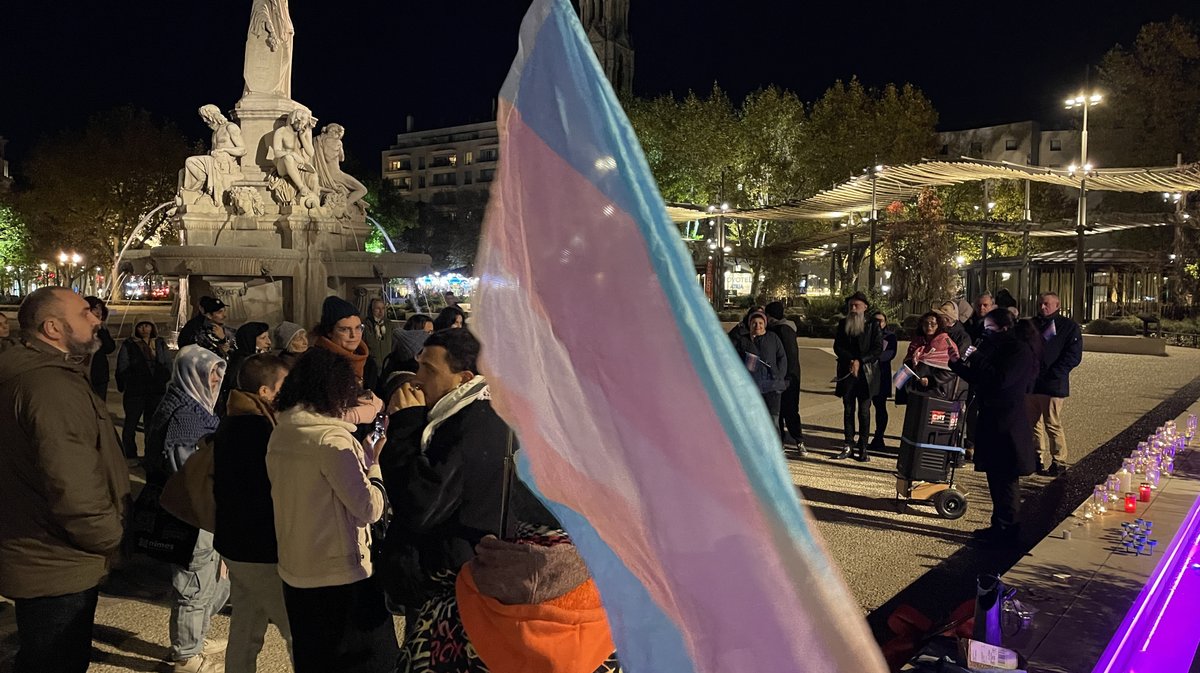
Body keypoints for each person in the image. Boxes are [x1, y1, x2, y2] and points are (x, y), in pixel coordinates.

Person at [0, 288, 130, 673]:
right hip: (57, 559)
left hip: (37, 550)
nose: (95, 319)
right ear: (53, 328)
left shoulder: (36, 375)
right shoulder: (50, 387)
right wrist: (109, 536)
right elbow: (71, 483)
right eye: (85, 313)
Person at [267, 348, 397, 673]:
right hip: (341, 575)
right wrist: (374, 465)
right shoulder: (331, 441)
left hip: (297, 569)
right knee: (370, 660)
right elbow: (368, 508)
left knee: (314, 659)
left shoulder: (283, 431)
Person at [379, 329, 511, 629]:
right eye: (418, 366)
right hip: (458, 570)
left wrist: (405, 425)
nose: (417, 378)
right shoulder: (472, 411)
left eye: (429, 369)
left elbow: (421, 504)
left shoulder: (470, 424)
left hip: (450, 580)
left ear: (464, 378)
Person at [146, 346, 231, 673]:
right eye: (209, 372)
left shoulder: (194, 407)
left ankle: (194, 639)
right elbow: (188, 474)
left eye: (217, 373)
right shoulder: (184, 416)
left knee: (211, 580)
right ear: (189, 374)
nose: (215, 380)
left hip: (202, 512)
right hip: (192, 515)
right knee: (194, 585)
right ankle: (185, 655)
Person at [212, 355, 294, 673]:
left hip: (236, 545)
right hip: (260, 550)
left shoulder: (235, 419)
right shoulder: (259, 430)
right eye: (283, 386)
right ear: (265, 391)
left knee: (245, 629)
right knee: (298, 631)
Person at [949, 309, 1040, 546]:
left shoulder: (1019, 350)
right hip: (992, 419)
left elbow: (1001, 380)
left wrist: (978, 357)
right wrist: (958, 365)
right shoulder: (998, 347)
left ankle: (1009, 529)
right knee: (995, 477)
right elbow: (982, 377)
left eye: (990, 329)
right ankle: (998, 524)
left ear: (1005, 328)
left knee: (1006, 479)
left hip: (1008, 423)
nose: (986, 334)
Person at [1028, 292, 1083, 476]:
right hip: (1033, 382)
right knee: (1032, 423)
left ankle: (1059, 461)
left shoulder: (1068, 327)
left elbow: (1073, 356)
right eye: (1040, 304)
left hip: (1052, 383)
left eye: (1046, 304)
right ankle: (1036, 457)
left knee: (1052, 423)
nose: (1042, 307)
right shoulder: (1032, 324)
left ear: (1057, 305)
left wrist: (1054, 373)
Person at [832, 292, 882, 462]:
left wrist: (860, 361)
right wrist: (851, 360)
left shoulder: (873, 325)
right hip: (847, 372)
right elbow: (838, 346)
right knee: (848, 410)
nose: (853, 309)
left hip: (866, 374)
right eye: (851, 305)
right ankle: (848, 444)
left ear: (865, 307)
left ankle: (863, 446)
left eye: (857, 306)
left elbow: (877, 349)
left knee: (864, 411)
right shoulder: (843, 323)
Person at [730, 309, 788, 447]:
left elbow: (782, 357)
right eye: (754, 323)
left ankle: (776, 447)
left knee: (773, 418)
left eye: (761, 323)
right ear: (749, 325)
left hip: (772, 386)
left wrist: (779, 375)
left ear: (765, 324)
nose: (758, 326)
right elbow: (730, 350)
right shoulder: (743, 341)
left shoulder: (773, 338)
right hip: (752, 387)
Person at [116, 320, 172, 460]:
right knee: (131, 424)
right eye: (141, 326)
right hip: (136, 391)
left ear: (153, 327)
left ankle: (151, 455)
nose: (144, 329)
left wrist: (163, 377)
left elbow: (167, 363)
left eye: (147, 325)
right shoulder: (129, 344)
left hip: (156, 389)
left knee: (152, 425)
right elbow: (122, 366)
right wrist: (127, 382)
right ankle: (130, 455)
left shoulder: (159, 343)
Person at [312, 295, 380, 393]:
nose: (353, 335)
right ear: (329, 332)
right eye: (344, 329)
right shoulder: (315, 363)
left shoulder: (368, 363)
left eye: (358, 328)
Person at [765, 301, 806, 454]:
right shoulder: (789, 328)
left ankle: (793, 440)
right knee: (788, 410)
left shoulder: (780, 330)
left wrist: (782, 376)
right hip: (792, 375)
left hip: (785, 377)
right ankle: (797, 440)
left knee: (784, 410)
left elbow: (784, 357)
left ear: (770, 316)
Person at [899, 312, 962, 403]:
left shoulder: (946, 341)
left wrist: (931, 380)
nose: (929, 326)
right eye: (925, 323)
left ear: (939, 325)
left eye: (933, 324)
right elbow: (908, 363)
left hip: (935, 393)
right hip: (916, 391)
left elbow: (953, 369)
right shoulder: (917, 341)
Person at [870, 311, 898, 452]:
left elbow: (888, 355)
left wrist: (870, 357)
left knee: (880, 407)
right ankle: (863, 437)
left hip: (881, 375)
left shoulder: (890, 336)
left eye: (880, 321)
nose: (878, 323)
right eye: (875, 321)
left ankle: (879, 436)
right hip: (867, 375)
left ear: (885, 323)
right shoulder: (866, 334)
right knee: (864, 407)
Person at [85, 296, 117, 400]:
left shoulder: (102, 329)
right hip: (84, 374)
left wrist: (102, 331)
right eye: (95, 308)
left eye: (100, 308)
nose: (98, 312)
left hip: (100, 374)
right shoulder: (80, 329)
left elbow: (110, 348)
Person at [362, 298, 391, 376]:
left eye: (383, 308)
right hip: (372, 366)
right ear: (371, 310)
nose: (381, 311)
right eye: (377, 308)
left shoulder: (388, 324)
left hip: (387, 365)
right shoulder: (365, 325)